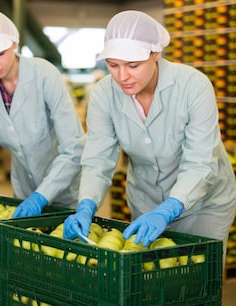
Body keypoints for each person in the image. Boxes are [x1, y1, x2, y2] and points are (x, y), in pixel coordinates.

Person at [63, 10, 236, 256]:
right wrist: (86, 204)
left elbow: (200, 163)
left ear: (156, 54)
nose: (122, 76)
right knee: (148, 282)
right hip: (145, 200)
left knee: (196, 278)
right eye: (113, 65)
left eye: (133, 65)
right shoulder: (104, 94)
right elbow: (98, 158)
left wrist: (169, 209)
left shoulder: (193, 86)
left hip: (204, 204)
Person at [0, 10, 85, 216]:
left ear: (14, 44)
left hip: (65, 187)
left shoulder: (45, 75)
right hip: (23, 190)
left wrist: (42, 196)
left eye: (0, 53)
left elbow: (74, 147)